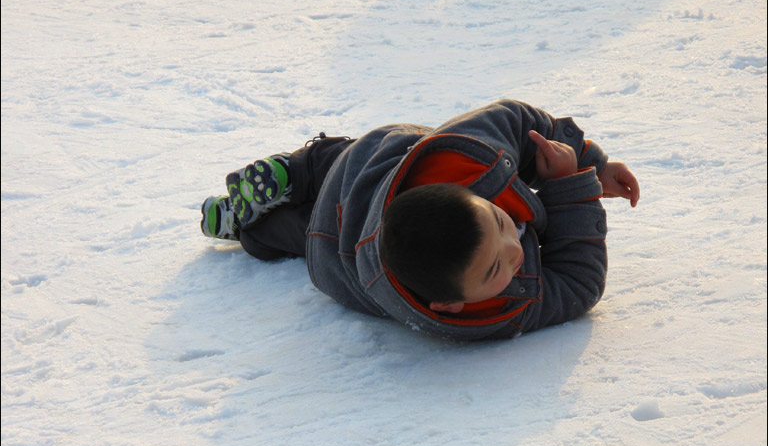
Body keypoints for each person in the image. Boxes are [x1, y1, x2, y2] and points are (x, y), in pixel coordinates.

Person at [200, 99, 639, 341]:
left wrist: (588, 168)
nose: (513, 252)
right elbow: (579, 284)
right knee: (303, 223)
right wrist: (577, 181)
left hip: (354, 199)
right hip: (347, 219)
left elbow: (518, 120)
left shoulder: (469, 159)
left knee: (329, 163)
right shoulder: (495, 309)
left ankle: (292, 174)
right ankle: (251, 228)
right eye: (494, 269)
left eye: (501, 225)